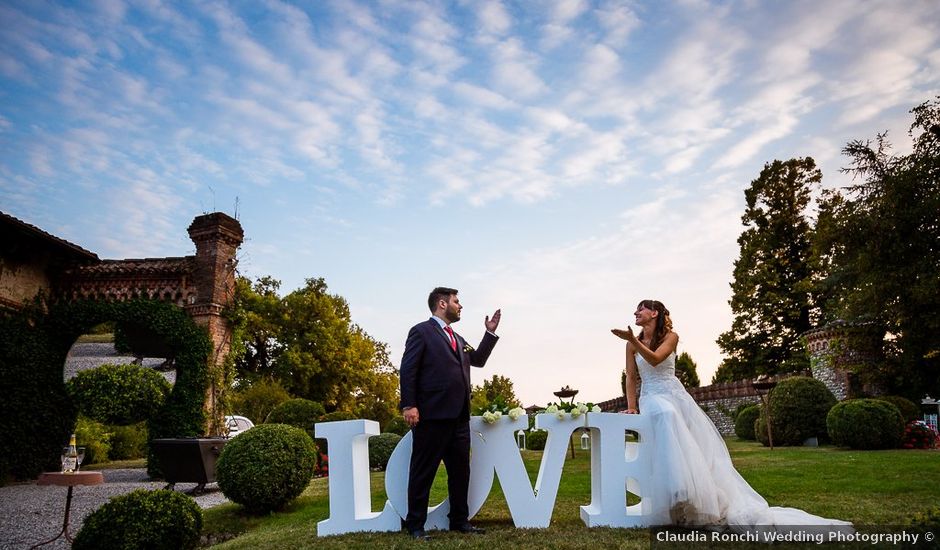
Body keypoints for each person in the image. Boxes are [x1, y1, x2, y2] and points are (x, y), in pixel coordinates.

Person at [611, 299, 853, 532]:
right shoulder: (631, 344)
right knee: (665, 416)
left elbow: (655, 359)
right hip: (651, 396)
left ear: (654, 313)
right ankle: (673, 497)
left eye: (640, 309)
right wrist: (632, 406)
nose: (636, 313)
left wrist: (632, 337)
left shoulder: (670, 337)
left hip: (674, 394)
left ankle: (691, 500)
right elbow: (631, 377)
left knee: (685, 437)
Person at [399, 287, 501, 540]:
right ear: (442, 304)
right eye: (457, 301)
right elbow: (408, 368)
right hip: (431, 416)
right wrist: (409, 404)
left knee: (460, 472)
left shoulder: (457, 337)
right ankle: (415, 526)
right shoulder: (421, 332)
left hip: (459, 418)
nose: (460, 305)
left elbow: (477, 360)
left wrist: (489, 333)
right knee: (423, 471)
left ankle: (459, 520)